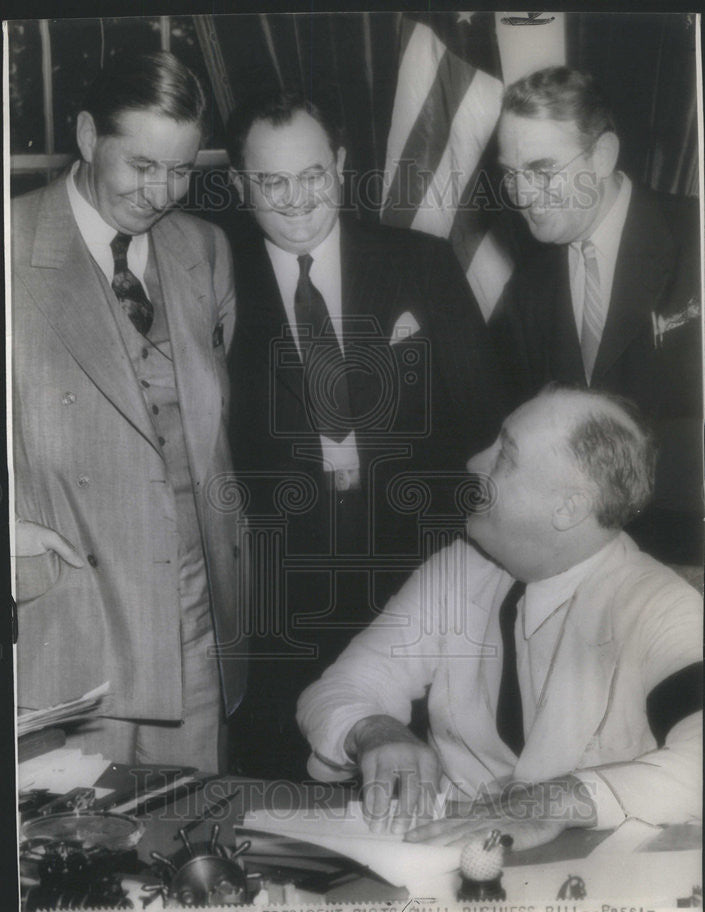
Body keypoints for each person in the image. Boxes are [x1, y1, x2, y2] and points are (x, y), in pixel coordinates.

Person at [222, 90, 506, 779]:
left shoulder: (421, 263)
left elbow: (480, 420)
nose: (295, 200)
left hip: (415, 571)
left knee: (420, 781)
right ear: (238, 184)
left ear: (341, 165)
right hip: (277, 590)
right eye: (270, 181)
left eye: (312, 175)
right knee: (287, 778)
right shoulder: (211, 277)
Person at [297, 385, 702, 851]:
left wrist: (555, 801)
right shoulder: (459, 570)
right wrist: (374, 730)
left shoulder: (660, 606)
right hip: (444, 860)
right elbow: (337, 689)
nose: (474, 462)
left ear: (568, 508)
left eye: (504, 455)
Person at [12, 51, 248, 772]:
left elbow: (205, 423)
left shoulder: (203, 250)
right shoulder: (9, 244)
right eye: (141, 165)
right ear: (87, 136)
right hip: (71, 611)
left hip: (194, 609)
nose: (162, 191)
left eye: (180, 170)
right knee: (73, 858)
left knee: (193, 844)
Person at [493, 66, 702, 566]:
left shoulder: (695, 237)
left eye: (542, 170)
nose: (521, 196)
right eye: (510, 174)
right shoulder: (529, 284)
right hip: (588, 559)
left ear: (603, 156)